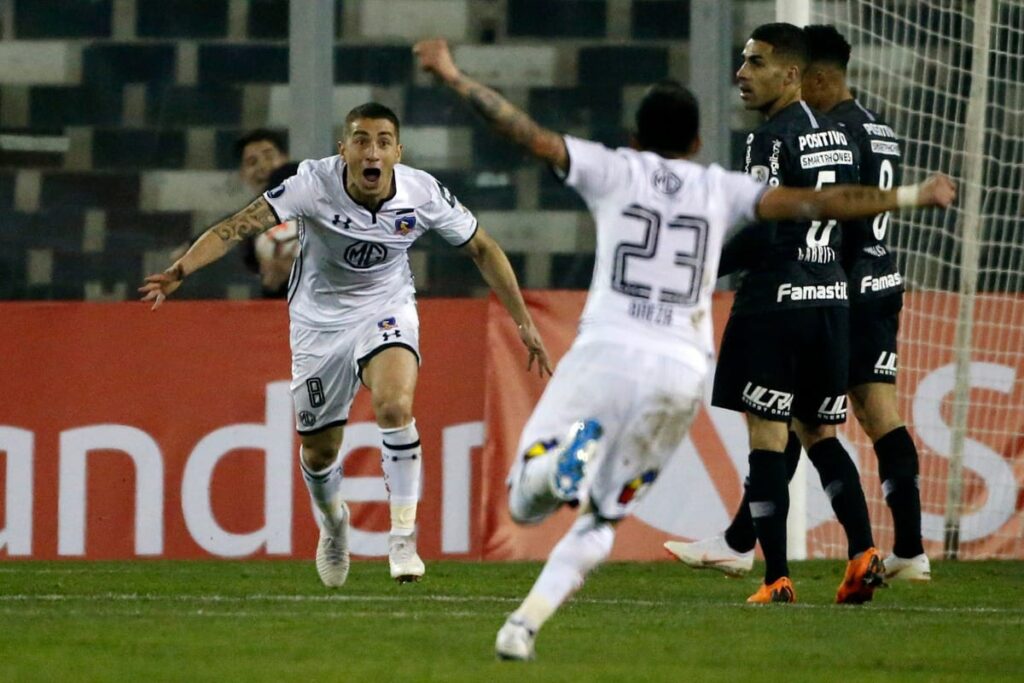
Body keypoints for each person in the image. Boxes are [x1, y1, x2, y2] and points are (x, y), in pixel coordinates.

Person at [414, 38, 954, 659]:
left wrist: (454, 77)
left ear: (637, 139)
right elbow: (822, 202)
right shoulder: (720, 188)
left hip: (607, 350)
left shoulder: (613, 168)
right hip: (675, 370)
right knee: (604, 519)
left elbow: (526, 133)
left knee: (525, 500)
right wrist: (913, 195)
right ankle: (523, 626)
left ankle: (556, 467)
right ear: (697, 143)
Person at [140, 102, 552, 586]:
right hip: (319, 324)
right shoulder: (312, 183)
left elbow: (483, 247)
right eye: (361, 140)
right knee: (318, 453)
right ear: (344, 150)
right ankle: (334, 525)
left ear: (398, 151)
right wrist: (181, 270)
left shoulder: (421, 193)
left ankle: (402, 538)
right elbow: (238, 227)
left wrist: (522, 320)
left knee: (395, 407)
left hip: (386, 308)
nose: (371, 150)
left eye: (382, 141)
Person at [666, 24, 929, 583]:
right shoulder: (848, 133)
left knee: (768, 433)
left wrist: (702, 268)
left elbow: (762, 228)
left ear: (794, 73)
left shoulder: (769, 139)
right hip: (836, 295)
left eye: (755, 63)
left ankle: (773, 576)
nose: (742, 73)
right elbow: (849, 213)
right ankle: (869, 552)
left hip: (779, 300)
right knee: (820, 432)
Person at [233, 129, 297, 297]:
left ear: (285, 159)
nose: (263, 167)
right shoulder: (248, 237)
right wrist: (273, 284)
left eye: (269, 156)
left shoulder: (317, 195)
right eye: (252, 162)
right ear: (243, 175)